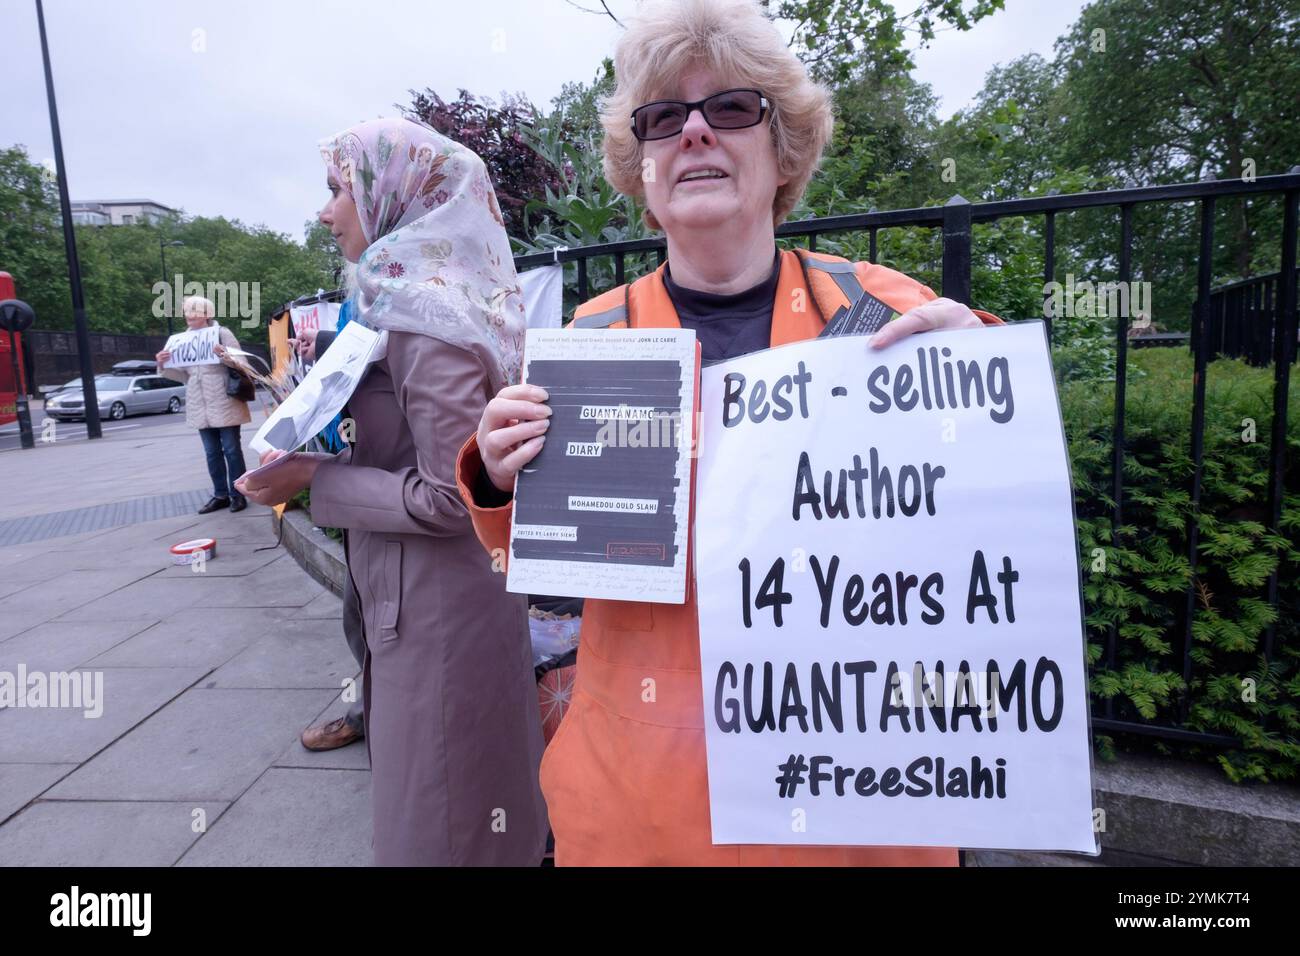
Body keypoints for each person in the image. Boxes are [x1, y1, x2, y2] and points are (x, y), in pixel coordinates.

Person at [456, 0, 1003, 866]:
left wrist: (985, 382)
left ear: (782, 147)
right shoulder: (587, 343)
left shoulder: (888, 314)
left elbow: (992, 526)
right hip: (639, 809)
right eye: (664, 118)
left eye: (732, 108)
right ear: (640, 166)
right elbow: (546, 584)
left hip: (852, 802)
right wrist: (496, 473)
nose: (696, 133)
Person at [235, 117, 548, 866]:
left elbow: (452, 494)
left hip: (439, 612)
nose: (326, 210)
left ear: (396, 196)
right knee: (454, 805)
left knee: (439, 818)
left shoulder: (426, 318)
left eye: (338, 188)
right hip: (430, 600)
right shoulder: (417, 297)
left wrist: (316, 480)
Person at [156, 295, 252, 514]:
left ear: (207, 314)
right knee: (211, 452)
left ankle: (238, 494)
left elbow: (242, 365)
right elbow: (181, 375)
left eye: (194, 310)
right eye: (187, 310)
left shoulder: (221, 333)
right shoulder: (179, 340)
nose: (189, 315)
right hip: (199, 402)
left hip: (224, 399)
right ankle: (220, 494)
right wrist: (162, 363)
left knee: (231, 450)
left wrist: (225, 356)